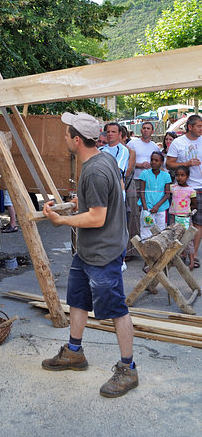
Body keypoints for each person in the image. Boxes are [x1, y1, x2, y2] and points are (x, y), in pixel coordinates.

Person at [41, 112, 138, 398]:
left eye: (67, 134)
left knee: (116, 310)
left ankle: (128, 368)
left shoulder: (94, 170)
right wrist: (78, 202)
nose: (64, 138)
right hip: (88, 252)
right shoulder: (104, 157)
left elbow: (96, 218)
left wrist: (61, 221)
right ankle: (74, 352)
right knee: (78, 300)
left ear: (77, 140)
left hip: (102, 253)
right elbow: (110, 194)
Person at [167, 114, 202, 268]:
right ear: (190, 127)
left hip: (200, 188)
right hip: (182, 189)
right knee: (181, 222)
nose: (201, 129)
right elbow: (169, 164)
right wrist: (187, 163)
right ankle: (180, 253)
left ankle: (192, 256)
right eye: (199, 126)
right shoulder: (178, 142)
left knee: (198, 224)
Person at [125, 122, 159, 253]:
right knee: (133, 212)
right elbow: (126, 158)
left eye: (148, 129)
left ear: (152, 131)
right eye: (144, 128)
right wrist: (138, 164)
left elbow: (158, 162)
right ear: (141, 130)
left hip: (148, 182)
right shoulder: (133, 144)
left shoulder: (155, 146)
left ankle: (148, 245)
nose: (146, 131)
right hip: (134, 180)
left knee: (147, 213)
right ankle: (131, 247)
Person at [138, 151, 170, 239]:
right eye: (152, 160)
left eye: (156, 160)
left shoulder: (166, 175)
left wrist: (157, 206)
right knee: (146, 232)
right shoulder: (145, 174)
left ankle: (158, 252)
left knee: (160, 232)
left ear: (161, 162)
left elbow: (167, 194)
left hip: (160, 209)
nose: (153, 162)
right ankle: (146, 252)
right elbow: (142, 191)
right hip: (147, 208)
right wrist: (145, 208)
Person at [170, 166, 197, 270]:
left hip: (185, 218)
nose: (179, 177)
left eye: (182, 175)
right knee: (174, 238)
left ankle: (192, 262)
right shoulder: (173, 188)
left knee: (188, 239)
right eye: (177, 175)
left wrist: (191, 213)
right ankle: (173, 259)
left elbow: (194, 205)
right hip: (174, 216)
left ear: (187, 176)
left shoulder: (191, 191)